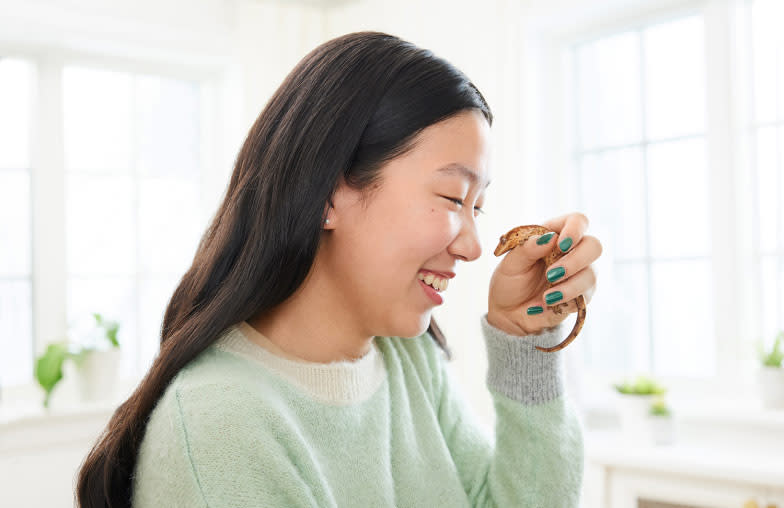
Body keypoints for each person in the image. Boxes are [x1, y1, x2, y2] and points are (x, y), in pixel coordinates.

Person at [76, 31, 601, 507]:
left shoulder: (407, 359)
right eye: (451, 197)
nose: (472, 246)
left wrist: (525, 339)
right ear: (328, 192)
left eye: (477, 208)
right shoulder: (221, 427)